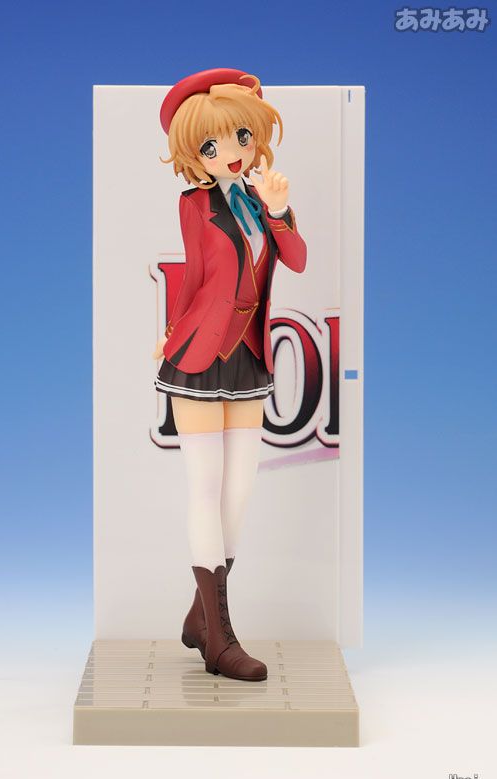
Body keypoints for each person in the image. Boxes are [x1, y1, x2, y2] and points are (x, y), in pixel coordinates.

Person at [154, 68, 307, 681]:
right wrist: (171, 332)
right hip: (199, 350)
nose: (231, 153)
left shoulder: (266, 200)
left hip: (248, 352)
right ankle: (218, 638)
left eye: (242, 137)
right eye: (212, 145)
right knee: (205, 487)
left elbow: (297, 259)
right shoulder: (193, 204)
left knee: (239, 491)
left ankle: (199, 617)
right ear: (195, 153)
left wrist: (280, 210)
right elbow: (193, 277)